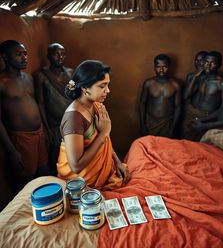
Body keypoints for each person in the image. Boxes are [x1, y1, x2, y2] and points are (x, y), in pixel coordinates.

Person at [57, 60, 130, 190]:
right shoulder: (74, 118)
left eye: (107, 85)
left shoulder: (96, 105)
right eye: (102, 86)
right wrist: (103, 134)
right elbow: (76, 166)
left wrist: (117, 162)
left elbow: (106, 140)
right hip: (79, 182)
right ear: (85, 88)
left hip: (98, 171)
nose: (108, 90)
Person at [0, 40, 49, 192]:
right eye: (19, 54)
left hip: (39, 134)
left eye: (25, 53)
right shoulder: (1, 83)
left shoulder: (28, 78)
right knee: (26, 182)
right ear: (6, 57)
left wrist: (45, 130)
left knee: (44, 173)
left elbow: (36, 104)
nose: (24, 57)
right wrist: (11, 150)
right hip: (21, 139)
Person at [34, 43, 73, 175]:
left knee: (74, 155)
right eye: (56, 54)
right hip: (55, 126)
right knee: (57, 159)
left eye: (63, 54)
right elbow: (41, 103)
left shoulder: (70, 73)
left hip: (72, 123)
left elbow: (76, 98)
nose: (60, 57)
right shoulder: (42, 75)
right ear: (48, 56)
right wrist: (46, 128)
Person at [182, 51, 223, 140]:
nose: (208, 65)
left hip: (206, 117)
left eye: (212, 63)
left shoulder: (221, 83)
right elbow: (186, 96)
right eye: (206, 62)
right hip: (191, 113)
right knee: (184, 142)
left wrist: (205, 120)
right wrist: (195, 77)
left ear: (218, 65)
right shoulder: (201, 78)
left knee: (199, 145)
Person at [139, 54, 182, 138]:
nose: (161, 70)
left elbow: (178, 108)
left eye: (164, 67)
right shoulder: (149, 83)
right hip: (150, 123)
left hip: (166, 123)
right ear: (154, 67)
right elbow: (142, 104)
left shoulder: (175, 85)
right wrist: (143, 125)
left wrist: (173, 128)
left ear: (169, 67)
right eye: (158, 67)